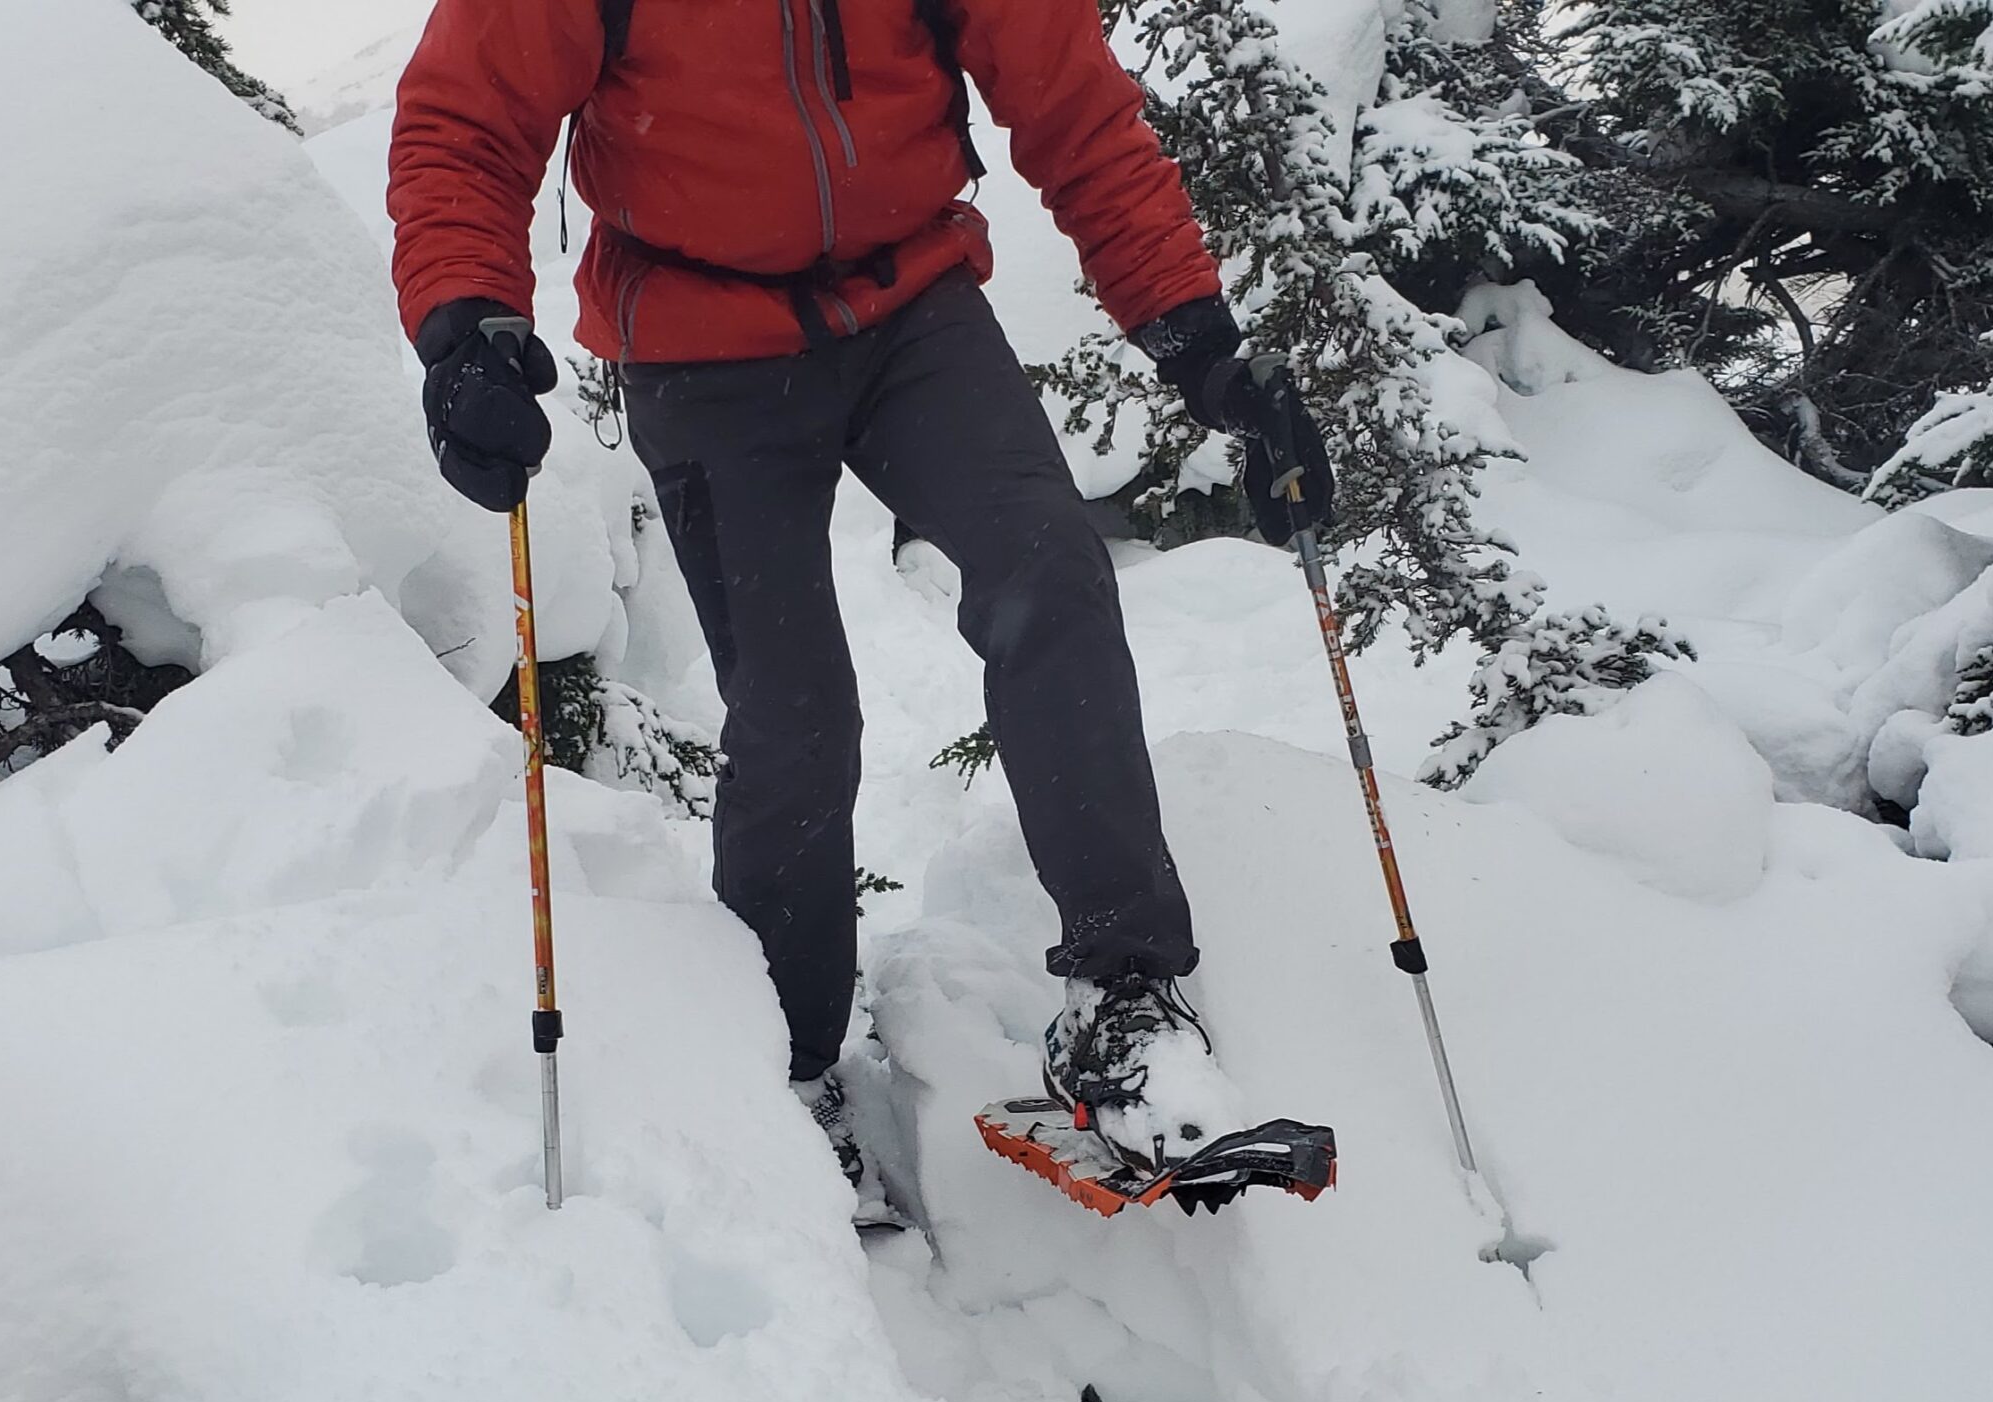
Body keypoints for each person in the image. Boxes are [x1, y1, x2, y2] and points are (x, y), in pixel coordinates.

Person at [386, 0, 1334, 1206]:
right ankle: (787, 1057)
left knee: (1048, 564)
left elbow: (1075, 109)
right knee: (795, 715)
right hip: (698, 334)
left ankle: (1124, 993)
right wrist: (463, 319)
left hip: (910, 312)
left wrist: (1198, 341)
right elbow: (466, 121)